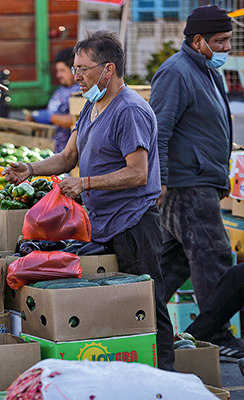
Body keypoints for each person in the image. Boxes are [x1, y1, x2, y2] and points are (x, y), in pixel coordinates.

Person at [2, 30, 175, 371]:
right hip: (102, 225)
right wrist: (30, 169)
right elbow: (67, 157)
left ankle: (164, 376)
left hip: (134, 224)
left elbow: (138, 173)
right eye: (75, 67)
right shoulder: (92, 107)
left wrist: (86, 183)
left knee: (148, 304)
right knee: (118, 306)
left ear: (108, 69)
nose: (75, 75)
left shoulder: (129, 110)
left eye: (82, 68)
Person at [149, 4, 242, 360]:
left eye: (228, 41)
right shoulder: (175, 72)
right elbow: (160, 128)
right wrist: (159, 180)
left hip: (201, 179)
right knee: (212, 255)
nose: (226, 49)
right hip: (187, 184)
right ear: (198, 40)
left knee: (175, 264)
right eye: (220, 41)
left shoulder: (205, 70)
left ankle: (138, 320)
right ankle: (216, 335)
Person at [26, 48, 80, 153]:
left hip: (67, 153)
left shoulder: (80, 91)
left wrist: (51, 117)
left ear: (75, 69)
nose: (58, 75)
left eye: (62, 70)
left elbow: (78, 119)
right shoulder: (61, 89)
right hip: (51, 149)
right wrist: (35, 118)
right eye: (57, 71)